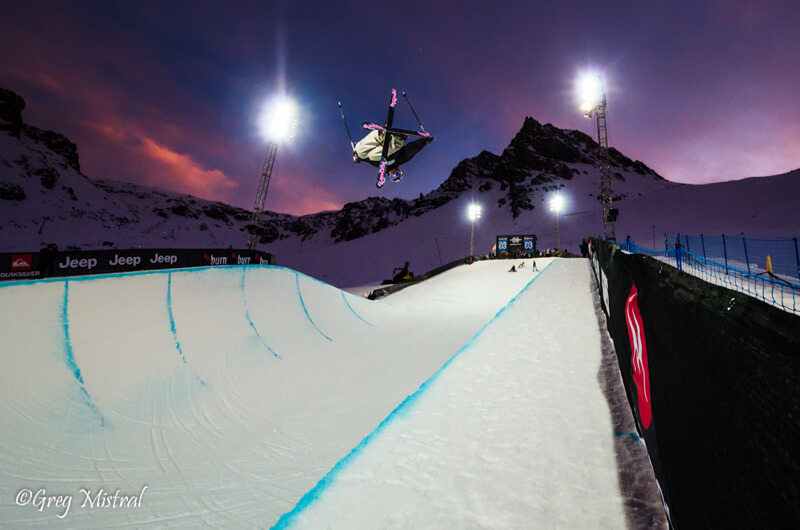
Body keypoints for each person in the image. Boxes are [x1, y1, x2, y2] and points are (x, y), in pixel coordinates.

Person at [354, 129, 433, 182]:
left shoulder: (380, 166)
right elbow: (411, 150)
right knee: (393, 148)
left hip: (379, 151)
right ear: (398, 170)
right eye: (397, 174)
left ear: (389, 176)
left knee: (361, 151)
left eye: (393, 176)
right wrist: (424, 141)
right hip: (392, 146)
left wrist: (359, 157)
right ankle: (397, 138)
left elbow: (368, 159)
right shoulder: (399, 160)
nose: (394, 173)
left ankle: (378, 135)